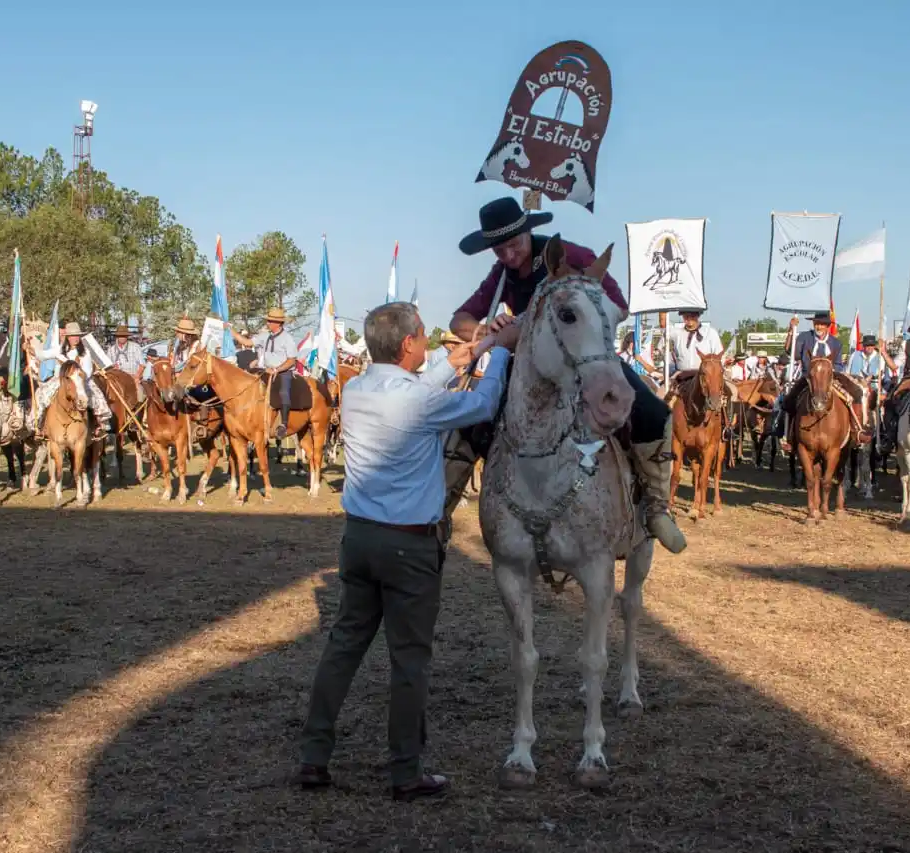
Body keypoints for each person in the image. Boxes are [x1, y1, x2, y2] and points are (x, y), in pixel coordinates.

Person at [293, 302, 519, 801]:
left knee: (344, 645)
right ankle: (405, 770)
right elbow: (482, 405)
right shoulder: (416, 401)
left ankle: (314, 755)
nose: (430, 342)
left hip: (359, 538)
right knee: (410, 661)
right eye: (423, 335)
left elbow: (419, 386)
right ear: (408, 345)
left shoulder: (355, 390)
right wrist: (497, 355)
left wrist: (472, 350)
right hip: (409, 544)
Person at [446, 196, 686, 554]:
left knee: (653, 413)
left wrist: (533, 320)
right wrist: (483, 331)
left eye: (513, 245)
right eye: (499, 251)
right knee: (472, 419)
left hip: (587, 360)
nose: (509, 256)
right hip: (532, 368)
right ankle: (438, 513)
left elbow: (618, 306)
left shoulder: (574, 256)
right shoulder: (501, 276)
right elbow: (459, 320)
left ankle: (654, 506)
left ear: (528, 233)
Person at [774, 312, 870, 449]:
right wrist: (791, 330)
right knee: (789, 400)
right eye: (816, 323)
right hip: (809, 377)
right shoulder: (804, 337)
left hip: (832, 377)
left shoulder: (835, 343)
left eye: (822, 324)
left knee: (856, 392)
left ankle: (857, 430)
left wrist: (830, 373)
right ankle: (788, 435)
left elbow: (837, 364)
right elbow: (791, 352)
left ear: (827, 326)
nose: (819, 326)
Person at [33, 321, 113, 439]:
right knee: (41, 394)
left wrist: (78, 375)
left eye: (77, 336)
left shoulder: (85, 352)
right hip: (60, 381)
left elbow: (88, 370)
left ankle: (100, 425)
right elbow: (42, 355)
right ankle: (39, 425)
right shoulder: (60, 349)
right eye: (72, 336)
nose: (75, 338)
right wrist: (30, 349)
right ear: (67, 337)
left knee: (96, 397)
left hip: (81, 380)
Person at [230, 307, 298, 440]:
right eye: (268, 320)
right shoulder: (264, 336)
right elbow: (247, 342)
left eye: (270, 321)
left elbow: (291, 360)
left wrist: (277, 369)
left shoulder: (287, 338)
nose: (268, 323)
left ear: (278, 323)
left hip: (283, 372)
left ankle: (283, 424)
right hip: (266, 370)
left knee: (284, 392)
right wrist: (230, 330)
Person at [105, 324, 146, 393]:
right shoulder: (111, 350)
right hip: (117, 380)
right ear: (117, 336)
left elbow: (142, 365)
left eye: (124, 335)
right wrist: (112, 368)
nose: (122, 337)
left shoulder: (135, 347)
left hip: (133, 378)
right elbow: (107, 367)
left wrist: (137, 377)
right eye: (120, 335)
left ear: (127, 336)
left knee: (140, 395)